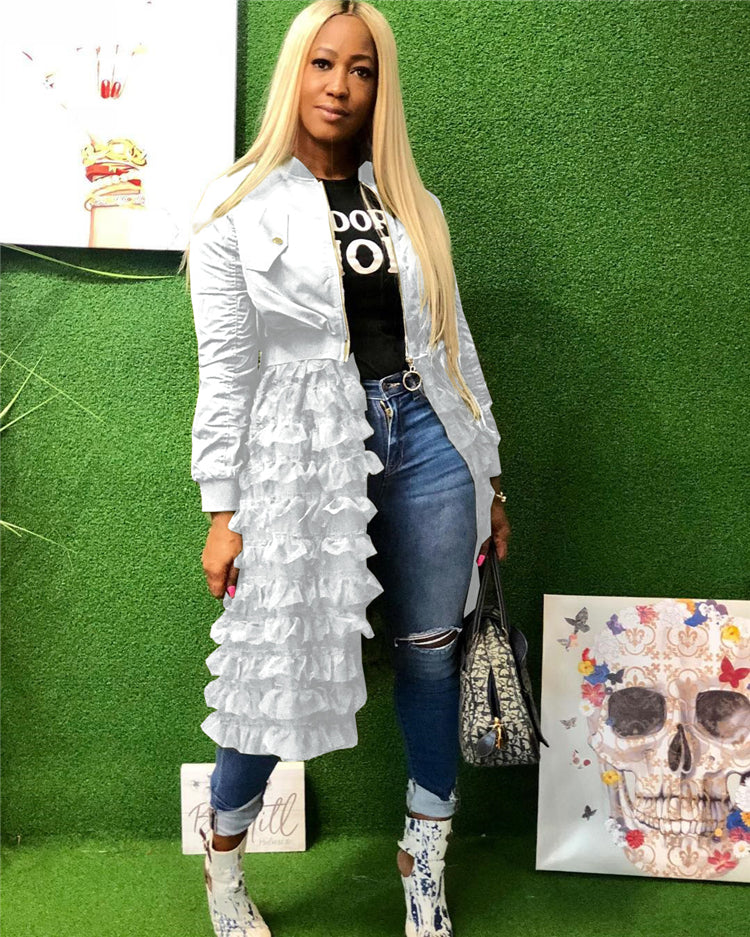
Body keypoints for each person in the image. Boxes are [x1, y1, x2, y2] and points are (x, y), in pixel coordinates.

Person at [180, 2, 510, 935]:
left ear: (379, 86)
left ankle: (422, 856)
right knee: (274, 666)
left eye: (361, 70)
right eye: (323, 64)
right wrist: (222, 509)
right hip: (305, 453)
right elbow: (226, 371)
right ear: (297, 72)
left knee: (431, 657)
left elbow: (455, 347)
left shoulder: (413, 203)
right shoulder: (235, 205)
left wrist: (489, 477)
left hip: (431, 441)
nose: (340, 85)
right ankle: (223, 861)